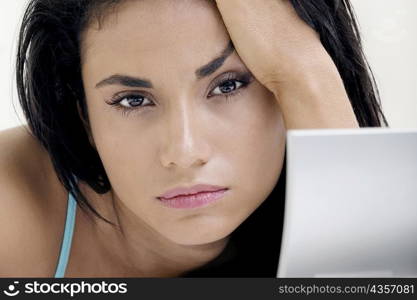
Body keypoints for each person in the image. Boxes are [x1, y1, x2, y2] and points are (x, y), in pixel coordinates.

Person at [0, 0, 387, 277]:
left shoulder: (382, 209)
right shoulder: (12, 206)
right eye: (133, 100)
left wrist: (304, 73)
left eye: (227, 85)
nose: (184, 152)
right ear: (82, 114)